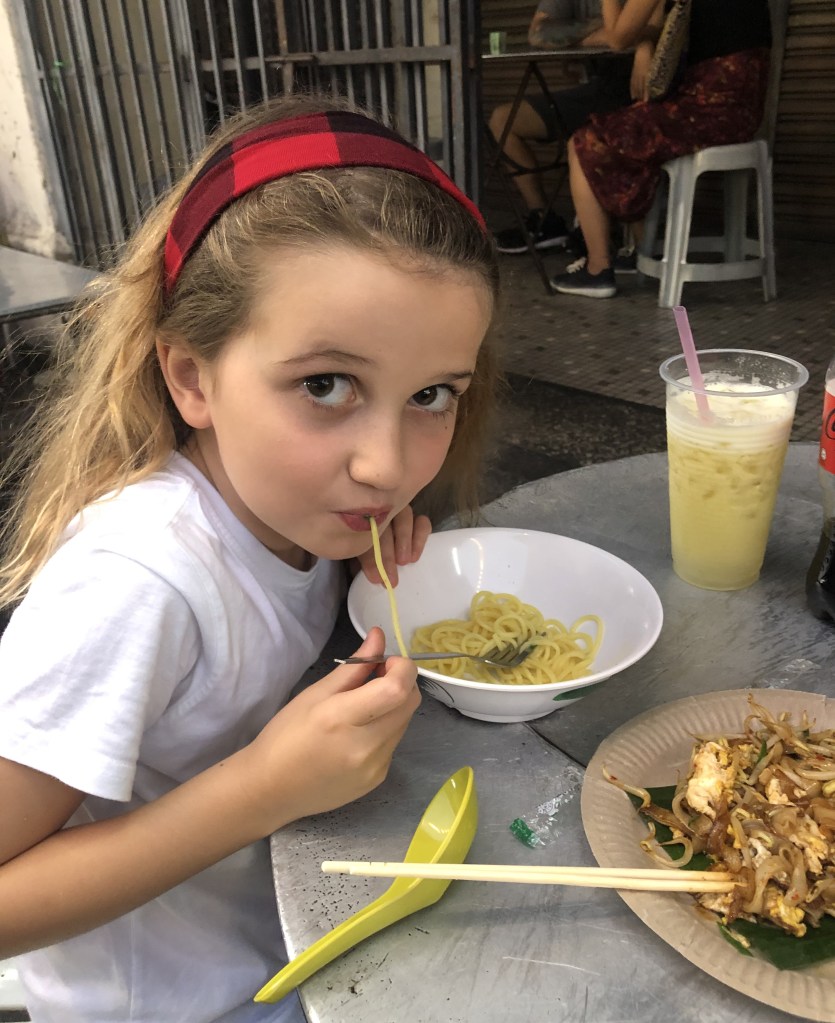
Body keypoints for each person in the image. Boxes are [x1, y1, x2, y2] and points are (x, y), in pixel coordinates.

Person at [0, 93, 500, 1022]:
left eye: (431, 393)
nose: (387, 464)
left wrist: (354, 565)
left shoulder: (294, 514)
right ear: (191, 376)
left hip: (297, 932)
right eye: (324, 384)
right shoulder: (134, 581)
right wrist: (263, 788)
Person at [551, 0, 772, 299]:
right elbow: (654, 21)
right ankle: (640, 249)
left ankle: (598, 268)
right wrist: (644, 47)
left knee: (584, 141)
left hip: (708, 107)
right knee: (638, 122)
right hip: (741, 110)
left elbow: (617, 38)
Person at [488, 0, 656, 256]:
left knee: (592, 139)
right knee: (503, 120)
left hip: (642, 93)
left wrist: (635, 40)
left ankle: (621, 245)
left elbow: (659, 29)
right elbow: (539, 33)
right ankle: (544, 221)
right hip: (597, 90)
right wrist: (609, 33)